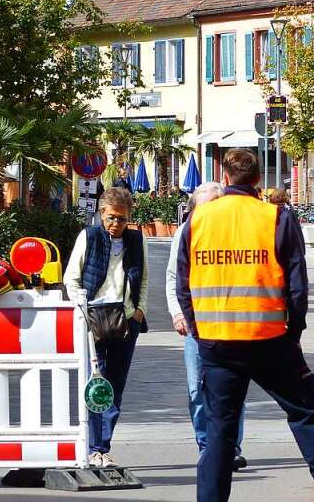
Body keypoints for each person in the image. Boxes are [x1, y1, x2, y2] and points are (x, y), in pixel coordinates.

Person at [177, 149, 314, 502]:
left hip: (217, 343)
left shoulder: (198, 219)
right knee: (306, 410)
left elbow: (183, 282)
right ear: (258, 181)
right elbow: (297, 286)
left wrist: (198, 329)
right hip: (269, 339)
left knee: (219, 432)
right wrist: (293, 334)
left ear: (225, 178)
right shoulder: (276, 217)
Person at [65, 186, 148, 468]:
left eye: (122, 219)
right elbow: (71, 279)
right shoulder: (88, 236)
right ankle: (92, 447)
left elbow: (144, 279)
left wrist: (139, 310)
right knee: (95, 385)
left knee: (116, 385)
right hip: (94, 319)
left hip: (125, 319)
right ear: (102, 213)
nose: (116, 225)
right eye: (111, 218)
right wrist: (83, 307)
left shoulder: (136, 240)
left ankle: (103, 446)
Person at [166, 183, 246, 471]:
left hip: (230, 324)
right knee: (196, 390)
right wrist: (177, 313)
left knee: (231, 388)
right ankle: (206, 445)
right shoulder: (186, 231)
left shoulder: (236, 231)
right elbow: (173, 275)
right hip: (197, 325)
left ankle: (230, 448)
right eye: (203, 208)